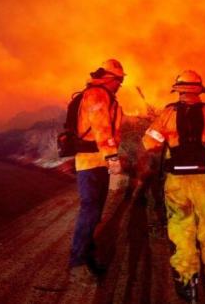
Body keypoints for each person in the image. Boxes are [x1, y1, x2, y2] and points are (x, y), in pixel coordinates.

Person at [141, 70, 205, 301]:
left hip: (177, 183)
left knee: (182, 232)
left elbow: (148, 143)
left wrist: (167, 141)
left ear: (179, 90)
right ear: (199, 90)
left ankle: (188, 283)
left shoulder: (168, 113)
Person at [68, 59, 125, 285]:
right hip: (92, 163)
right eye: (119, 80)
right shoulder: (98, 95)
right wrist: (112, 156)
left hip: (95, 162)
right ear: (110, 78)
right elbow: (101, 127)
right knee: (90, 212)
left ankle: (87, 258)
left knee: (94, 214)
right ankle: (77, 263)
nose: (120, 85)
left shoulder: (101, 95)